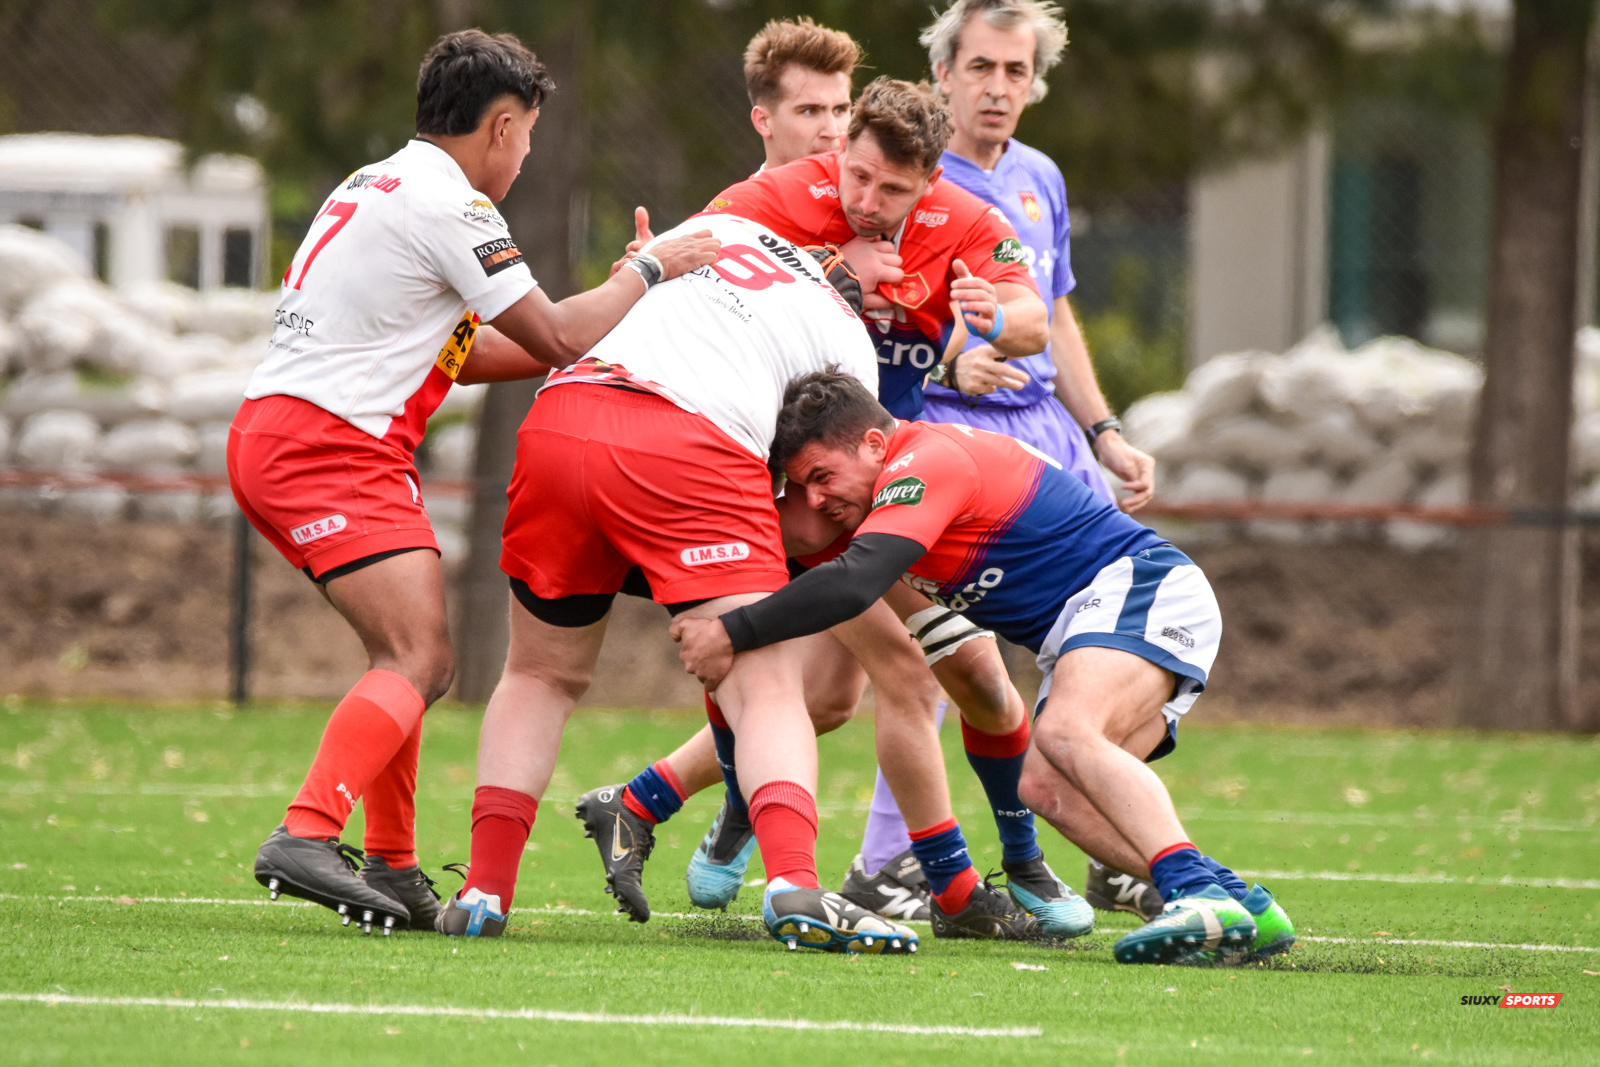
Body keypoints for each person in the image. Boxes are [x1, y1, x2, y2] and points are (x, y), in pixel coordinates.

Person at [235, 29, 718, 935]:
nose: (528, 156)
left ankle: (394, 865)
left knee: (408, 659)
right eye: (528, 135)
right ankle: (305, 831)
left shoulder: (375, 180)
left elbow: (468, 354)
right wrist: (651, 271)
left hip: (297, 433)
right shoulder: (452, 206)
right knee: (424, 660)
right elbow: (558, 338)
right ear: (500, 126)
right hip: (330, 446)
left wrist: (615, 297)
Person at [588, 73, 1091, 939]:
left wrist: (992, 320)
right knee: (930, 673)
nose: (865, 198)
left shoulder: (964, 220)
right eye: (855, 174)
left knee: (826, 700)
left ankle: (644, 800)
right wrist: (831, 273)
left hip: (879, 477)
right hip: (793, 487)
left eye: (891, 189)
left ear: (930, 183)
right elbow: (676, 260)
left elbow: (1029, 315)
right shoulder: (790, 191)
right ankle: (968, 888)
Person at [674, 371, 1298, 966]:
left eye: (820, 476)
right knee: (1048, 790)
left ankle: (1197, 898)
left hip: (1141, 586)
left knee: (1063, 733)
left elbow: (857, 581)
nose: (815, 497)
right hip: (1099, 617)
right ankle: (1242, 903)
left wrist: (729, 632)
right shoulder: (878, 488)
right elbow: (783, 540)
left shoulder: (926, 462)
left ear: (872, 443)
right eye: (800, 485)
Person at [436, 213, 919, 955]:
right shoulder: (847, 335)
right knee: (765, 687)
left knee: (538, 672)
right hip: (687, 437)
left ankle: (484, 890)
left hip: (560, 419)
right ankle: (794, 881)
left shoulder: (720, 226)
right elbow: (823, 490)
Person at [858, 0, 1169, 920]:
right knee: (939, 663)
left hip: (1048, 436)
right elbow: (884, 310)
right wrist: (955, 355)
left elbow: (1055, 312)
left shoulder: (1039, 176)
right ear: (943, 71)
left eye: (1017, 72)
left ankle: (1110, 842)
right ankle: (897, 858)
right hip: (949, 435)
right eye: (983, 67)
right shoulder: (905, 176)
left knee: (1109, 638)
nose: (999, 88)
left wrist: (1104, 429)